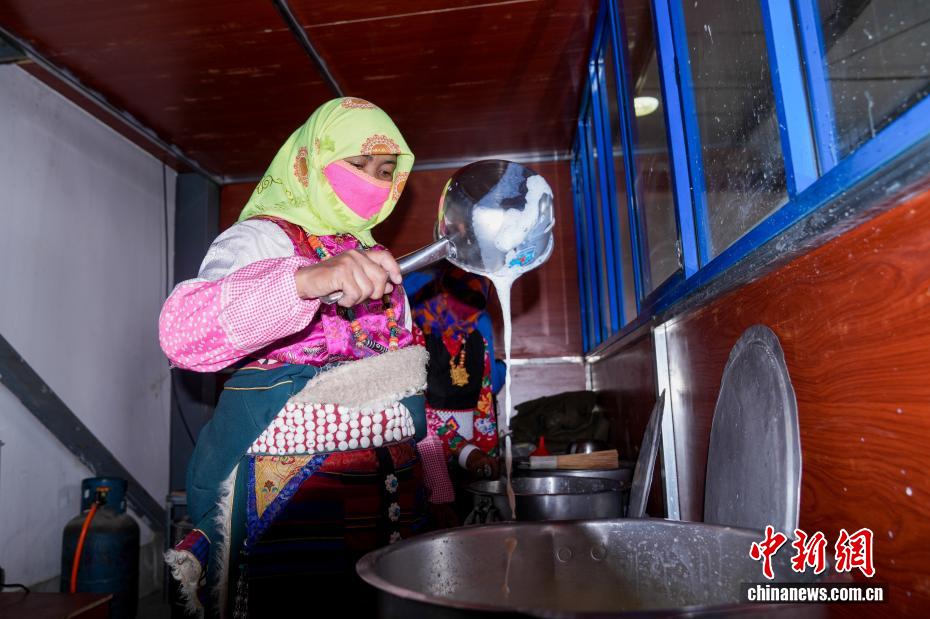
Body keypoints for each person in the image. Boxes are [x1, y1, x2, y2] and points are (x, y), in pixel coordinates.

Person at [160, 97, 433, 617]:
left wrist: (438, 491)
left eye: (385, 171)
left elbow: (409, 382)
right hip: (289, 502)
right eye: (358, 164)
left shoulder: (380, 265)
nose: (373, 182)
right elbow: (183, 334)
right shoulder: (259, 240)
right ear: (309, 161)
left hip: (391, 498)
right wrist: (305, 281)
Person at [404, 265, 505, 521]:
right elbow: (417, 406)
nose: (467, 309)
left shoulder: (477, 340)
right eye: (461, 298)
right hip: (427, 451)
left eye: (476, 301)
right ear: (442, 293)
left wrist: (486, 457)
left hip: (468, 457)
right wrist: (466, 451)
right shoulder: (416, 339)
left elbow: (484, 404)